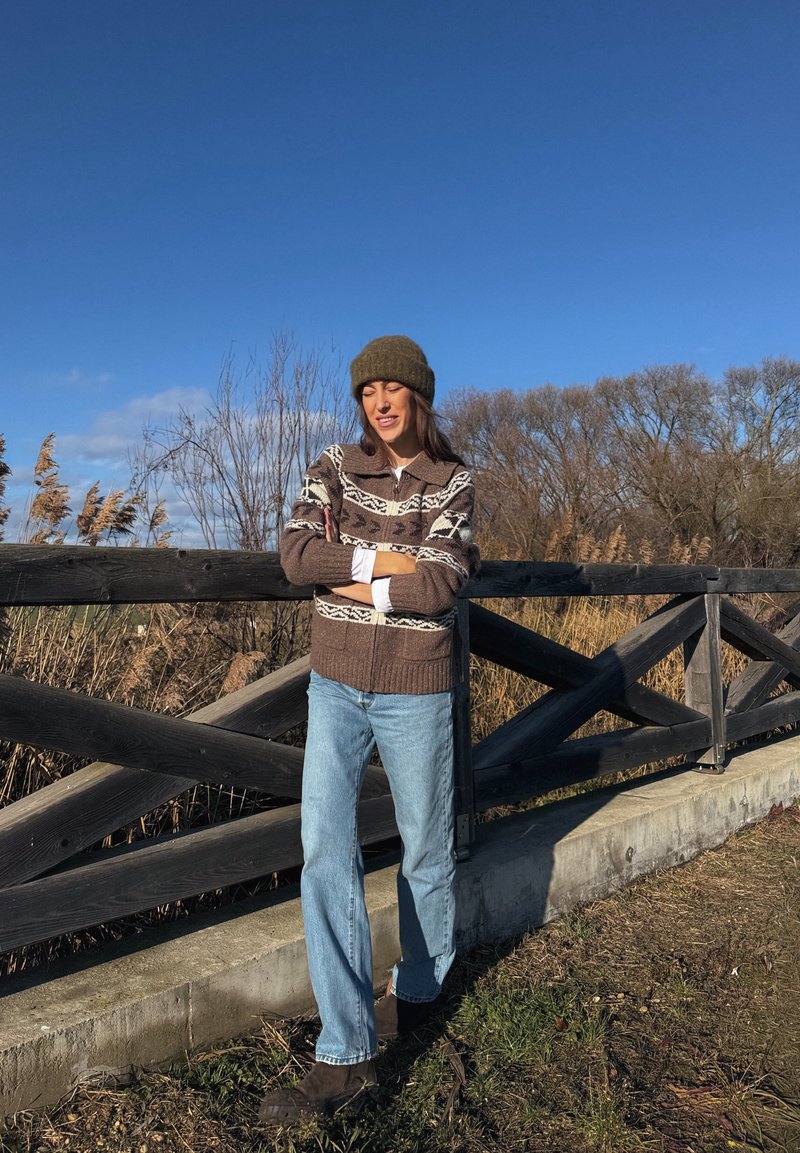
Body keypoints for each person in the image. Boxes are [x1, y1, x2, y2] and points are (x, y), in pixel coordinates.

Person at [259, 335, 479, 1123]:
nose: (378, 402)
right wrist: (390, 562)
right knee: (325, 847)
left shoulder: (453, 482)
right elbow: (295, 555)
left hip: (417, 688)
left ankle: (418, 991)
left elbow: (442, 583)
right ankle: (345, 1051)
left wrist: (352, 569)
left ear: (418, 395)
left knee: (424, 847)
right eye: (366, 391)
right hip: (335, 683)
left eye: (392, 388)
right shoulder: (332, 466)